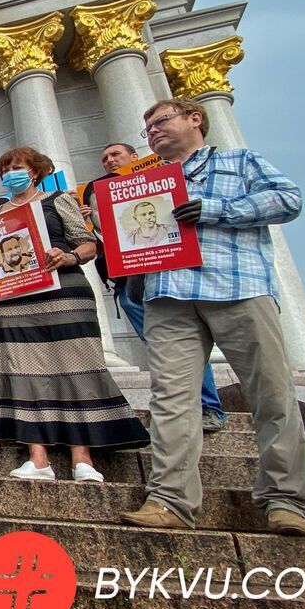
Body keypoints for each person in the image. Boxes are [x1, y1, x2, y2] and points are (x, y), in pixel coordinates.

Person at [120, 99, 305, 536]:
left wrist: (217, 209)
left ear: (194, 119)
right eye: (147, 127)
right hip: (169, 296)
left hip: (238, 287)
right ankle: (169, 499)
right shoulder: (147, 182)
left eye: (161, 121)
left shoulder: (239, 162)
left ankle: (286, 499)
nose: (152, 131)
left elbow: (288, 199)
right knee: (170, 398)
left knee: (270, 392)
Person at [0, 147, 149, 481]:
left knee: (75, 369)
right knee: (22, 373)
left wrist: (68, 256)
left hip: (62, 293)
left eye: (18, 167)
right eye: (6, 168)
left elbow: (87, 244)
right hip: (12, 299)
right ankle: (37, 458)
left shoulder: (58, 200)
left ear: (35, 171)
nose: (11, 173)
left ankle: (82, 456)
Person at [84, 141, 227, 434]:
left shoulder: (160, 182)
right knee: (162, 347)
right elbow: (110, 237)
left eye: (115, 155)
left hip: (167, 275)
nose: (109, 161)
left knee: (184, 344)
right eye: (105, 157)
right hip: (128, 283)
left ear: (134, 158)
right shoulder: (100, 192)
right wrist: (89, 222)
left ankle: (208, 406)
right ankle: (185, 405)